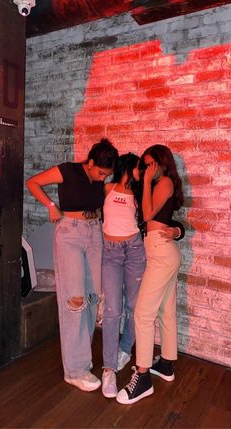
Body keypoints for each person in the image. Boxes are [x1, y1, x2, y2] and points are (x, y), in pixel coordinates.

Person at [26, 138, 118, 393]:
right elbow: (32, 182)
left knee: (91, 299)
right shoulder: (68, 170)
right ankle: (75, 371)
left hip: (94, 233)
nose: (102, 179)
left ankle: (82, 362)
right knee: (74, 301)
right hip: (70, 235)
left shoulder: (102, 179)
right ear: (90, 163)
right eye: (100, 173)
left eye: (106, 175)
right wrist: (50, 206)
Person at [101, 152, 184, 399]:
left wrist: (179, 230)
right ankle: (166, 364)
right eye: (143, 166)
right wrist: (178, 230)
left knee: (141, 314)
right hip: (157, 251)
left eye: (149, 164)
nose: (145, 169)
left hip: (158, 252)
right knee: (165, 311)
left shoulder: (161, 182)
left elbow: (149, 216)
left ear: (160, 163)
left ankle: (143, 377)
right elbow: (161, 217)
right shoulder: (151, 186)